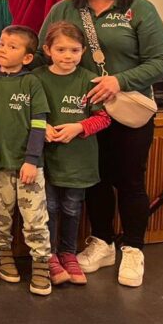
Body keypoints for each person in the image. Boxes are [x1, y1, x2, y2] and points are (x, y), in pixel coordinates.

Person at [38, 0, 163, 288]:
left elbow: (162, 61)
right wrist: (4, 67)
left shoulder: (139, 9)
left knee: (129, 181)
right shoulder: (64, 10)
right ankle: (102, 242)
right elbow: (39, 55)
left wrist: (119, 81)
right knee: (93, 179)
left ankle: (133, 248)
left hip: (127, 112)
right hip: (83, 114)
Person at [0, 25, 52, 296]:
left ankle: (41, 262)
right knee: (0, 215)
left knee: (35, 218)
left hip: (29, 167)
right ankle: (4, 254)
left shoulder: (32, 83)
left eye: (12, 46)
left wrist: (31, 159)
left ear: (27, 57)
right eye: (2, 44)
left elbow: (39, 123)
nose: (4, 50)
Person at [34, 23, 112, 286]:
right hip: (47, 159)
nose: (68, 56)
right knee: (49, 207)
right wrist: (41, 127)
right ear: (48, 50)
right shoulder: (36, 78)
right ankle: (49, 255)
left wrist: (79, 127)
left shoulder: (89, 80)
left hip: (79, 161)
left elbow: (104, 118)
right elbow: (26, 111)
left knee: (71, 208)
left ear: (83, 51)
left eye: (74, 50)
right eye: (61, 50)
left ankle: (68, 253)